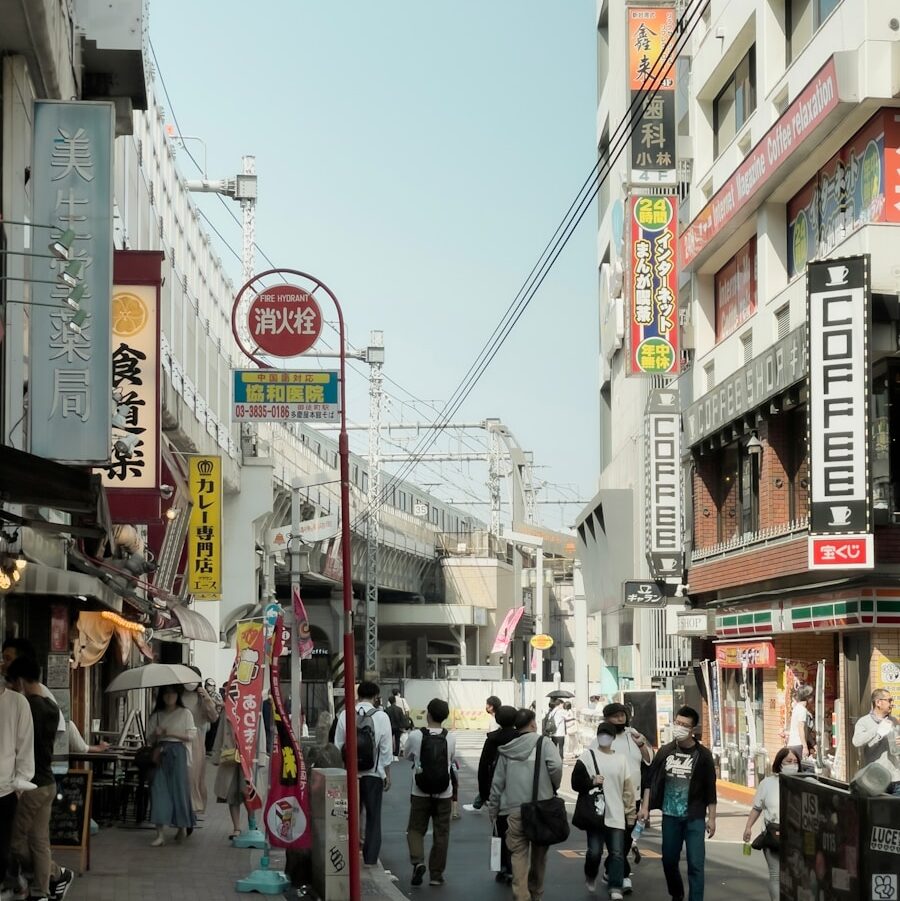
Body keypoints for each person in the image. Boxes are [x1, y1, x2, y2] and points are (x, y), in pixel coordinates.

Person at [6, 657, 74, 901]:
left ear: (21, 681)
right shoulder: (51, 706)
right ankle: (43, 891)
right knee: (39, 841)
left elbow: (18, 747)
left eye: (12, 685)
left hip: (29, 785)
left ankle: (51, 875)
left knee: (15, 843)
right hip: (47, 781)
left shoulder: (26, 707)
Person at [640, 705, 717, 901]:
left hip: (695, 817)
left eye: (684, 725)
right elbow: (650, 779)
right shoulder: (666, 751)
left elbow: (711, 788)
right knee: (668, 860)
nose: (679, 727)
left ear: (692, 729)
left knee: (696, 864)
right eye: (677, 722)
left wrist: (712, 818)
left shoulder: (703, 755)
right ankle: (676, 892)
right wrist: (645, 807)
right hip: (670, 816)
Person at [488, 708, 563, 901]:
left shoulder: (507, 749)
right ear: (533, 724)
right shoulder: (543, 743)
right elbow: (556, 766)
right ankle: (536, 892)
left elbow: (497, 784)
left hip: (515, 810)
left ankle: (521, 895)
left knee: (518, 855)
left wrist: (493, 809)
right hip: (541, 809)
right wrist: (553, 784)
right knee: (539, 856)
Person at [572, 721, 635, 900]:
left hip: (616, 813)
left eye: (608, 734)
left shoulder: (621, 759)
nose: (604, 737)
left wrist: (630, 813)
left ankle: (615, 887)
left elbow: (627, 788)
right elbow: (575, 783)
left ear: (614, 737)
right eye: (601, 733)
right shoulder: (587, 757)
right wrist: (591, 781)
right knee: (595, 852)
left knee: (617, 852)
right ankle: (590, 874)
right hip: (595, 814)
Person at [333, 680, 393, 867]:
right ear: (376, 697)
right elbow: (386, 749)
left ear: (358, 695)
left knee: (349, 814)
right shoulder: (382, 717)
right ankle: (370, 858)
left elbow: (338, 745)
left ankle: (349, 853)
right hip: (373, 775)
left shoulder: (345, 714)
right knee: (373, 817)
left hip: (350, 774)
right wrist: (386, 774)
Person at [404, 698, 457, 887]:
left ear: (429, 714)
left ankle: (418, 861)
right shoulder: (450, 737)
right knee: (441, 833)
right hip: (444, 792)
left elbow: (406, 755)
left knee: (416, 829)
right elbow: (451, 761)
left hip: (420, 790)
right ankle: (436, 875)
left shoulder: (416, 736)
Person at [603, 701, 653, 890]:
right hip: (610, 796)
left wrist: (641, 743)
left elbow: (649, 761)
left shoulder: (633, 734)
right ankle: (621, 876)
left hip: (634, 796)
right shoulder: (603, 737)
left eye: (622, 715)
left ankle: (612, 871)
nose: (620, 718)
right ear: (607, 718)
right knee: (616, 839)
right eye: (615, 715)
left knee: (625, 840)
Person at [742, 747, 798, 901]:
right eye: (788, 761)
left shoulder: (803, 784)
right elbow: (757, 808)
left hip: (796, 836)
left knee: (796, 875)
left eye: (795, 762)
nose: (792, 764)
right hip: (774, 836)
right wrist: (748, 827)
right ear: (779, 763)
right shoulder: (767, 784)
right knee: (776, 875)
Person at [147, 685, 196, 846]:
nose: (169, 696)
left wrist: (170, 733)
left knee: (179, 791)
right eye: (166, 693)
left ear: (178, 695)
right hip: (160, 755)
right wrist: (156, 734)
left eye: (173, 693)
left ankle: (181, 826)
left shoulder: (185, 713)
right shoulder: (156, 715)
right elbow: (150, 739)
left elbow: (191, 735)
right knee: (158, 791)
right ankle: (160, 833)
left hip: (178, 753)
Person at [0, 665, 34, 892]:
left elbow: (24, 746)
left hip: (4, 789)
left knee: (2, 849)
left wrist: (20, 782)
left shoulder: (17, 703)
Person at [475, 705, 518, 883]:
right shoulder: (521, 738)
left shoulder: (492, 739)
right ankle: (514, 866)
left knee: (499, 830)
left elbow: (483, 768)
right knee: (517, 832)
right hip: (518, 790)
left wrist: (484, 794)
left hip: (497, 790)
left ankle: (502, 867)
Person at [180, 668, 220, 816]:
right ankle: (182, 809)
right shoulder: (178, 695)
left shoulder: (201, 696)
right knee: (182, 777)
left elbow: (214, 717)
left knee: (195, 777)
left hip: (196, 742)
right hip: (178, 738)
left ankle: (194, 808)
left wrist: (208, 700)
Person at [210, 680, 246, 840]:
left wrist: (261, 756)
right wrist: (216, 755)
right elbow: (220, 733)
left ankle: (252, 824)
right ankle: (237, 827)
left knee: (249, 793)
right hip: (230, 756)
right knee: (232, 794)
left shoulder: (251, 708)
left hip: (248, 758)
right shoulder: (227, 710)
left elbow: (260, 734)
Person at [851, 688, 900, 794]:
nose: (891, 704)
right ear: (878, 702)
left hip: (896, 777)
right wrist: (877, 729)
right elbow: (856, 741)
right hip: (877, 779)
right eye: (889, 700)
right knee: (880, 810)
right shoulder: (864, 722)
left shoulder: (894, 720)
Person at [463, 695, 505, 812]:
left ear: (491, 707)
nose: (485, 707)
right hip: (496, 755)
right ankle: (479, 803)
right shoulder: (497, 718)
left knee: (488, 779)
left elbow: (492, 739)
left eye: (487, 704)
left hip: (493, 755)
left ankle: (480, 803)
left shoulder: (494, 720)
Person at [786, 685, 815, 768]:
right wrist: (805, 747)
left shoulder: (797, 708)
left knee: (795, 770)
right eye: (812, 696)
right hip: (798, 745)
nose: (813, 698)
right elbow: (800, 728)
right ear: (807, 697)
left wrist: (814, 744)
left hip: (793, 744)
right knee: (799, 771)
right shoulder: (802, 710)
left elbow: (805, 731)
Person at [203, 678, 224, 755]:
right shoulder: (203, 693)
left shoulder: (217, 695)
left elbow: (222, 704)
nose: (209, 687)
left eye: (211, 686)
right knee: (206, 733)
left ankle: (210, 749)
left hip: (215, 716)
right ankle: (205, 748)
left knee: (213, 733)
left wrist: (213, 702)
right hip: (205, 717)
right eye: (208, 685)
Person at [386, 694, 407, 760]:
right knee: (397, 740)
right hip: (397, 727)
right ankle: (396, 754)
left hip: (390, 727)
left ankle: (390, 753)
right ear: (395, 701)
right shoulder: (399, 709)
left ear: (389, 701)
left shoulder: (387, 709)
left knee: (389, 740)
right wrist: (403, 726)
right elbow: (402, 718)